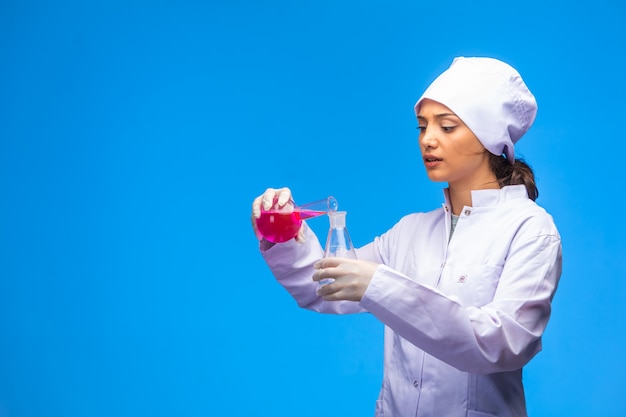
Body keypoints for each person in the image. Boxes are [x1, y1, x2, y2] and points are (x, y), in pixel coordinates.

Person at [250, 57, 562, 417]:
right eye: (422, 126)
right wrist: (284, 233)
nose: (427, 140)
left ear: (489, 137)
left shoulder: (531, 230)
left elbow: (503, 343)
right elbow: (321, 286)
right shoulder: (411, 231)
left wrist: (381, 286)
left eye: (447, 127)